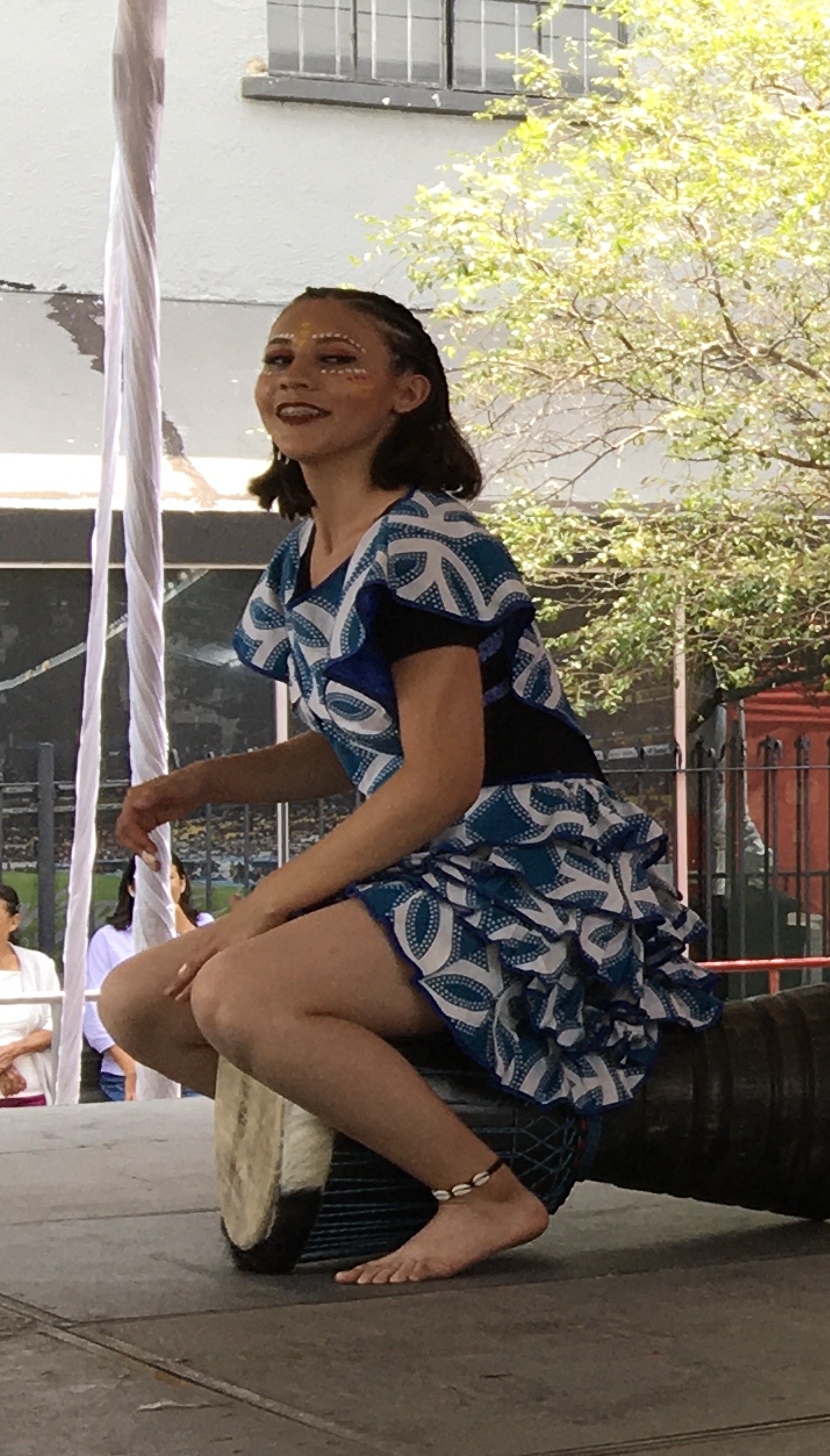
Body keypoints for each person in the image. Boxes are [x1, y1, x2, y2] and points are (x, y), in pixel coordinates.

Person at [99, 289, 719, 1281]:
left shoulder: (427, 543)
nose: (296, 375)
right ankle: (389, 1155)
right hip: (433, 858)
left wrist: (255, 911)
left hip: (524, 864)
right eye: (280, 355)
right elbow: (360, 746)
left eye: (336, 358)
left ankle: (488, 1195)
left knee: (238, 992)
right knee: (138, 1002)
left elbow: (437, 779)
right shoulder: (307, 558)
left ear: (407, 392)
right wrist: (209, 781)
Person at [85, 856, 199, 1101]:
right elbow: (93, 1011)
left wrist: (173, 911)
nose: (157, 886)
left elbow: (209, 965)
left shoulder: (204, 926)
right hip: (124, 1074)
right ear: (132, 888)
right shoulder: (108, 938)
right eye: (148, 881)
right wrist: (130, 1068)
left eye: (166, 878)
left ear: (183, 883)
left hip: (193, 1070)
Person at [0, 879, 60, 1107]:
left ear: (14, 922)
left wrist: (12, 1052)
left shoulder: (39, 964)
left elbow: (54, 1025)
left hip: (31, 1090)